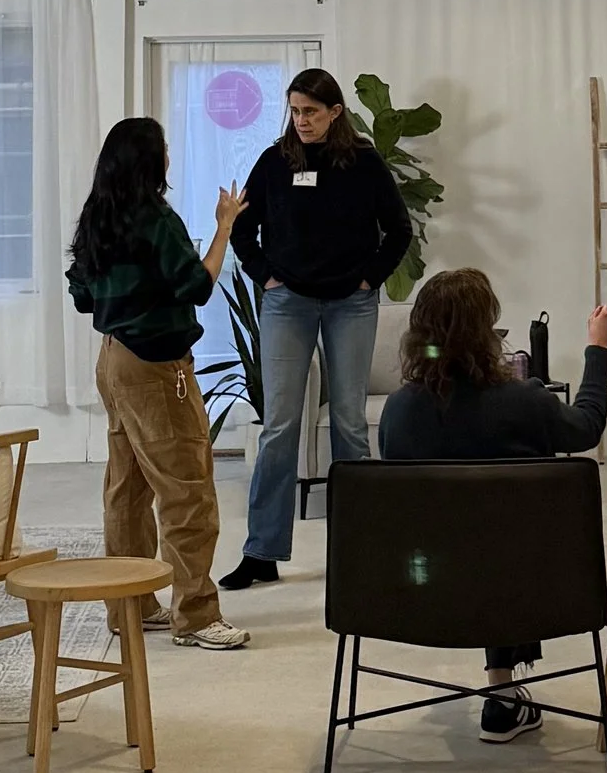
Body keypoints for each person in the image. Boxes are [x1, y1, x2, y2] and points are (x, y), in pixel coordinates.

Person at [377, 268, 607, 738]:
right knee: (502, 540)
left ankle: (503, 694)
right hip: (526, 586)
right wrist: (598, 348)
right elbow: (587, 426)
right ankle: (502, 696)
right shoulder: (525, 402)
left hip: (419, 590)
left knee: (471, 538)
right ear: (486, 334)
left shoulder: (399, 412)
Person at [64, 118, 251, 652]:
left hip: (113, 361)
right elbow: (197, 286)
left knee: (127, 489)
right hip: (156, 366)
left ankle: (130, 605)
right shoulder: (156, 218)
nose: (169, 155)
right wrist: (223, 227)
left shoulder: (97, 215)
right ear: (151, 160)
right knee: (187, 490)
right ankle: (195, 615)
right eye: (164, 148)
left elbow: (81, 294)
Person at [224, 68, 416, 589]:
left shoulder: (365, 164)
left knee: (349, 424)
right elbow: (242, 228)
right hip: (287, 302)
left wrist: (370, 278)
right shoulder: (274, 161)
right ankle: (261, 552)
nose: (301, 120)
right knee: (279, 426)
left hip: (350, 304)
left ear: (335, 113)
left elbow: (399, 230)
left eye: (310, 111)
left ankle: (360, 549)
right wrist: (264, 275)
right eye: (294, 110)